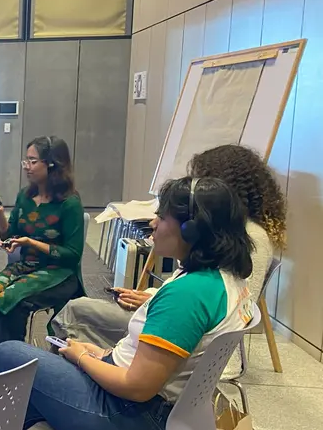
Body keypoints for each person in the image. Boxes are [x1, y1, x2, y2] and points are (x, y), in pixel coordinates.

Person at [0, 177, 254, 430]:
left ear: (190, 230)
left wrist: (82, 358)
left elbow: (137, 387)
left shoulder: (188, 295)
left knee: (11, 356)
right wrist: (101, 356)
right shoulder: (225, 281)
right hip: (177, 420)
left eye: (162, 217)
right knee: (26, 394)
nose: (154, 224)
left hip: (135, 421)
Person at [52, 144, 286, 356]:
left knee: (75, 312)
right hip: (177, 319)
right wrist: (153, 297)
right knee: (80, 313)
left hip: (182, 331)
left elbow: (224, 308)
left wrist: (86, 359)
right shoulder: (225, 233)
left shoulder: (247, 238)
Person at [0, 136, 85, 359]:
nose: (27, 166)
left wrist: (31, 242)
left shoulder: (69, 203)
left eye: (33, 161)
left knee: (12, 302)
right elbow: (10, 233)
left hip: (60, 274)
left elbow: (72, 255)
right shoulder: (25, 196)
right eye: (26, 161)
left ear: (52, 164)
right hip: (27, 267)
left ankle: (12, 364)